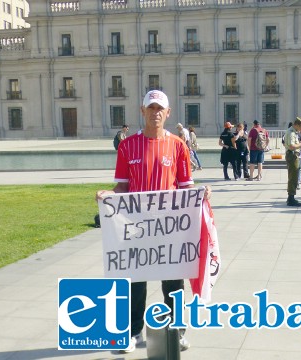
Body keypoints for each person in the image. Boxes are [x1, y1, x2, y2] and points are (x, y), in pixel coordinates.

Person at [95, 90, 196, 353]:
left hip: (169, 227)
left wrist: (201, 195)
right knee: (135, 280)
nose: (156, 113)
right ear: (142, 111)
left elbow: (186, 188)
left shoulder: (178, 146)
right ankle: (133, 332)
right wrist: (109, 195)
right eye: (151, 108)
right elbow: (122, 187)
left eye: (160, 108)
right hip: (137, 226)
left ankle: (177, 332)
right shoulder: (128, 146)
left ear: (168, 113)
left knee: (173, 281)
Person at [284, 117, 301, 206]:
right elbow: (291, 146)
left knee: (294, 176)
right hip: (292, 155)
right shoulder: (291, 133)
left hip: (294, 155)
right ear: (297, 125)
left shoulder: (293, 132)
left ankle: (291, 197)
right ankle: (291, 198)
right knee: (293, 177)